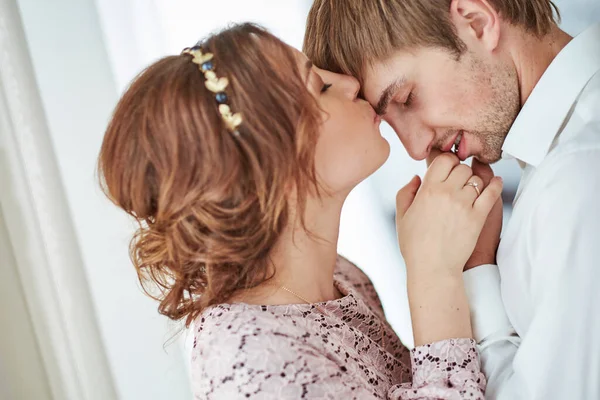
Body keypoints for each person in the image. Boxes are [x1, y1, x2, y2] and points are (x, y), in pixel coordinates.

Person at [98, 23, 504, 399]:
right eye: (321, 86)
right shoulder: (247, 362)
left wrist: (469, 264)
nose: (350, 83)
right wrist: (432, 276)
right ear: (268, 159)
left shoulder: (341, 279)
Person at [304, 0, 600, 398]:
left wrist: (467, 273)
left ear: (477, 22)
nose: (415, 147)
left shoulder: (576, 181)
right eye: (390, 123)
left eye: (407, 98)